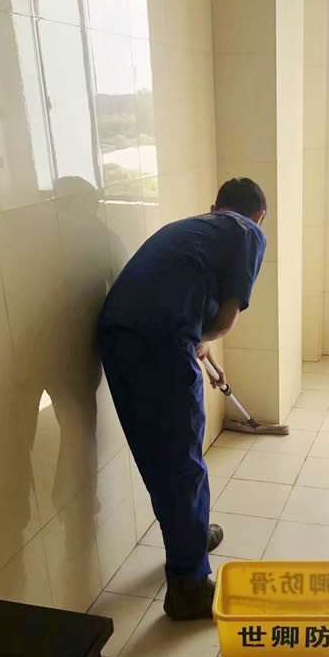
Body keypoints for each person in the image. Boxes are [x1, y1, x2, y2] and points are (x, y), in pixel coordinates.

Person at [98, 178, 267, 620]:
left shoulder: (191, 229)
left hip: (115, 337)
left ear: (214, 206)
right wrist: (200, 340)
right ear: (260, 215)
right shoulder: (247, 230)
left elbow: (182, 304)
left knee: (160, 457)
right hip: (161, 345)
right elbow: (224, 321)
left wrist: (201, 347)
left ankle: (189, 540)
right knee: (183, 462)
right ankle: (189, 586)